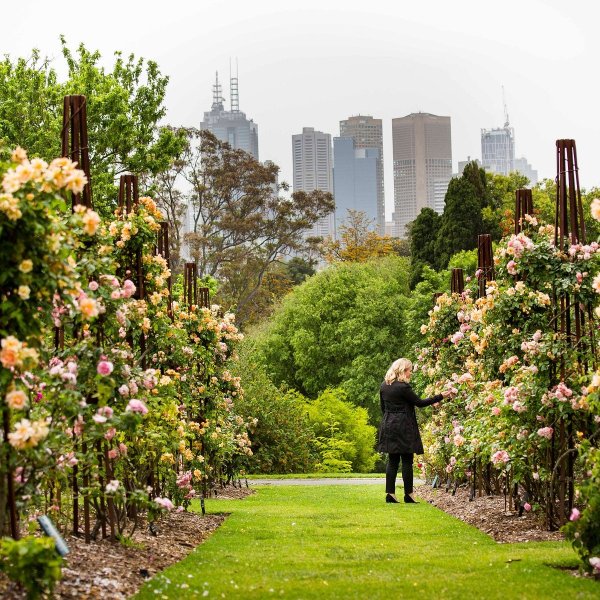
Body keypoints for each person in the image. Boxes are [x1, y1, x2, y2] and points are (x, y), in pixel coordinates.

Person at [377, 358, 451, 504]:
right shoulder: (403, 387)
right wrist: (440, 396)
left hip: (389, 425)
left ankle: (390, 494)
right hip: (404, 426)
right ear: (403, 370)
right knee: (406, 460)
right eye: (409, 370)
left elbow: (383, 408)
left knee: (392, 460)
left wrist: (390, 418)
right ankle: (409, 495)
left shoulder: (384, 386)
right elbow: (420, 403)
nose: (411, 373)